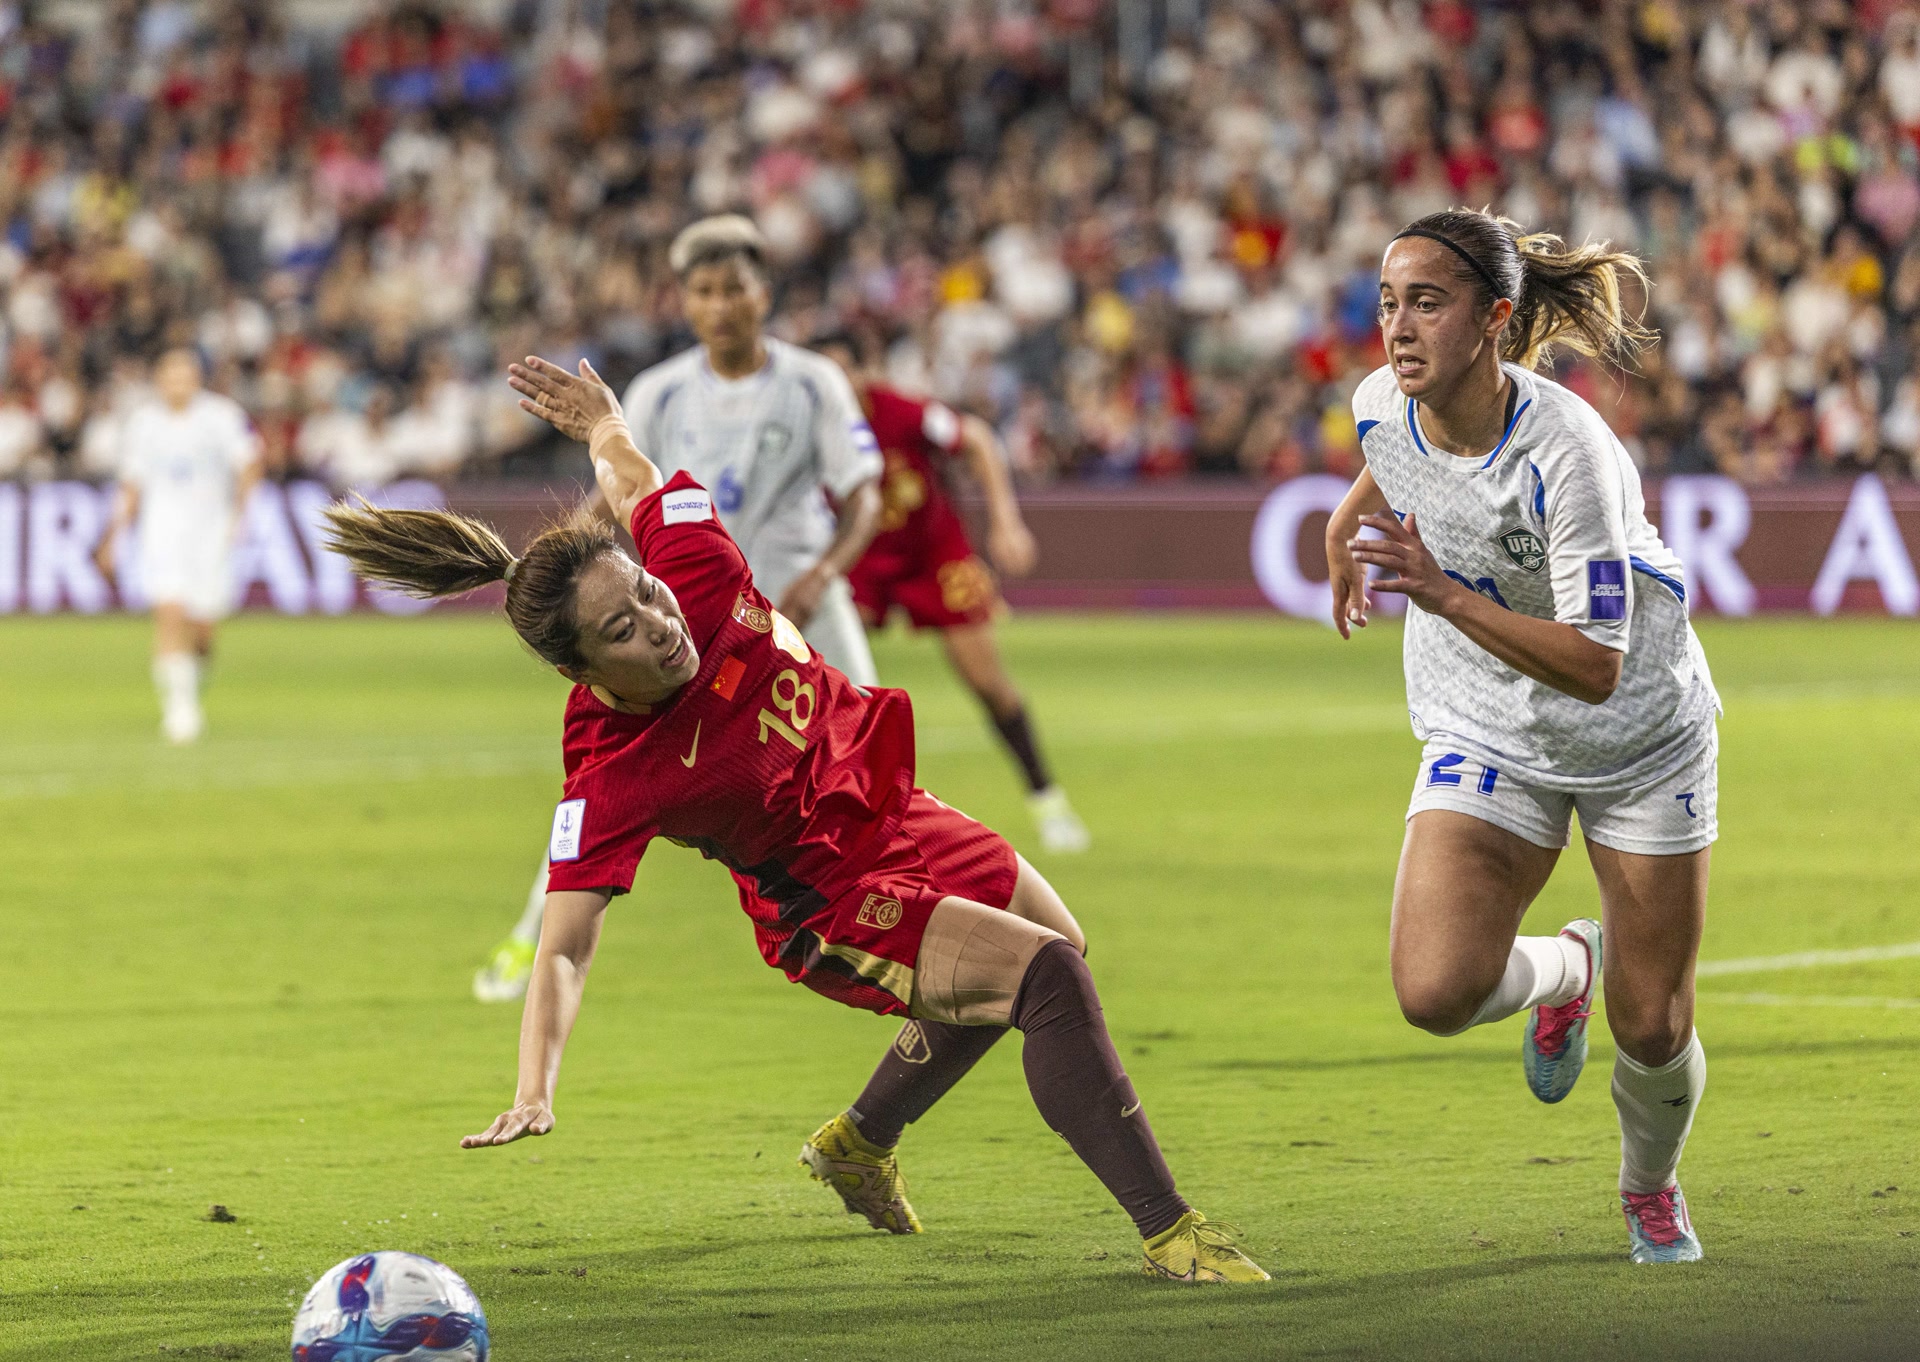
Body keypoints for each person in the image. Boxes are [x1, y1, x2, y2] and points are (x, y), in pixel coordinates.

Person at [323, 354, 1269, 1284]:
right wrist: (535, 1087)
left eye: (644, 593)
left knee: (1057, 948)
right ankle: (1173, 1235)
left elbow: (634, 480)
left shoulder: (694, 562)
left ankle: (860, 1140)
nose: (659, 625)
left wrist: (602, 420)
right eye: (621, 632)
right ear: (582, 672)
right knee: (1046, 975)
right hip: (828, 900)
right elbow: (565, 947)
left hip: (889, 805)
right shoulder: (609, 771)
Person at [1325, 209, 1719, 1265]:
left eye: (1428, 303)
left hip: (1635, 733)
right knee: (1434, 992)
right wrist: (1342, 522)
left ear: (1496, 319)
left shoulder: (1571, 453)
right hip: (1488, 716)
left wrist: (1444, 595)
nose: (1398, 328)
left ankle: (1650, 1188)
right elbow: (1392, 449)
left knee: (1653, 1025)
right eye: (1389, 303)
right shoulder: (1380, 401)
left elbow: (1597, 665)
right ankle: (1565, 970)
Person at [473, 215, 884, 1001]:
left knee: (872, 746)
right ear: (685, 301)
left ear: (764, 294)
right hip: (689, 611)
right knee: (602, 782)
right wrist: (551, 579)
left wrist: (825, 573)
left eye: (734, 288)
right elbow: (612, 497)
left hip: (800, 600)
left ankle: (902, 909)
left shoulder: (813, 383)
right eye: (703, 291)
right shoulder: (660, 392)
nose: (720, 305)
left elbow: (863, 494)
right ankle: (533, 939)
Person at [815, 333, 1090, 855]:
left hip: (933, 553)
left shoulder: (903, 412)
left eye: (845, 371)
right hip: (861, 557)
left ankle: (1048, 801)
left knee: (988, 683)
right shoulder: (809, 423)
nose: (838, 385)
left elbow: (978, 440)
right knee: (830, 684)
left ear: (865, 371)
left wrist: (1006, 522)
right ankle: (830, 818)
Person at [96, 349, 263, 744]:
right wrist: (112, 537)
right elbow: (132, 484)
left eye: (184, 377)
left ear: (197, 379)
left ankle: (189, 684)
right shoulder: (144, 424)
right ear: (159, 381)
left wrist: (241, 514)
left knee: (202, 630)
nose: (177, 385)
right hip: (161, 533)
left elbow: (250, 463)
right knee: (170, 611)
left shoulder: (221, 417)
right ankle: (180, 708)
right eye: (171, 377)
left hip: (211, 534)